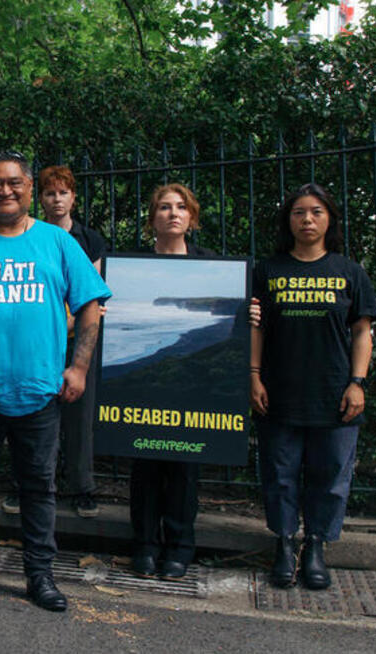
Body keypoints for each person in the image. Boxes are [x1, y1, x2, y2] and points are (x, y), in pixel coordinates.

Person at [0, 152, 111, 612]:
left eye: (14, 183)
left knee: (39, 487)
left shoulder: (57, 242)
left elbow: (90, 303)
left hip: (40, 392)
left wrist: (77, 367)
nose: (6, 191)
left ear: (29, 188)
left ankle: (40, 575)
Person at [251, 183, 376, 590]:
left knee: (330, 475)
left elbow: (362, 332)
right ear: (288, 221)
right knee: (279, 473)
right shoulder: (268, 270)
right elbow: (256, 327)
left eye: (316, 212)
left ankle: (317, 546)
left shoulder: (350, 272)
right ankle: (285, 545)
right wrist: (253, 375)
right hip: (279, 390)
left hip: (334, 392)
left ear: (329, 219)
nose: (307, 219)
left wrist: (357, 382)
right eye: (299, 212)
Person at [127, 184, 216, 580]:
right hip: (146, 386)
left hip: (194, 383)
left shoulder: (211, 265)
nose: (173, 214)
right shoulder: (135, 266)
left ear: (192, 218)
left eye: (181, 208)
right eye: (164, 207)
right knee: (144, 466)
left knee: (184, 467)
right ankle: (144, 546)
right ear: (153, 218)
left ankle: (180, 547)